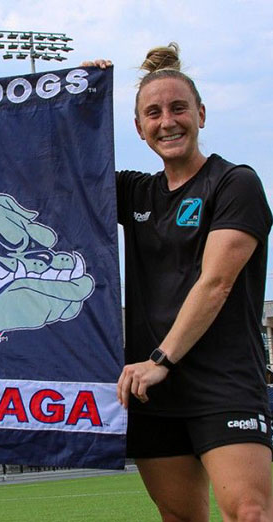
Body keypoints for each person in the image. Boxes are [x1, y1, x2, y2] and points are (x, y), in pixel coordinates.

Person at [86, 43, 273, 521]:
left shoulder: (235, 184)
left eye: (178, 108)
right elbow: (69, 165)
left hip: (222, 382)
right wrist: (82, 96)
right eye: (153, 113)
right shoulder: (137, 191)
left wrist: (159, 359)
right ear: (139, 128)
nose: (166, 121)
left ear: (201, 115)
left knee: (250, 512)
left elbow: (216, 283)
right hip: (153, 391)